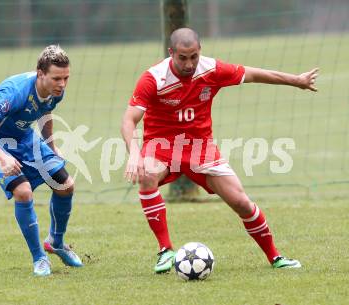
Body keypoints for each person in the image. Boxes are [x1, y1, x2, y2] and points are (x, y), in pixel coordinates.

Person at [121, 28, 319, 273]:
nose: (189, 63)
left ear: (199, 51)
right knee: (147, 173)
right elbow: (129, 119)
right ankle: (165, 251)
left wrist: (297, 81)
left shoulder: (211, 69)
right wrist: (134, 152)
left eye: (193, 56)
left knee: (242, 203)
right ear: (171, 53)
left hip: (200, 149)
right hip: (162, 147)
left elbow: (254, 74)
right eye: (182, 57)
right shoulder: (154, 78)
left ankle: (275, 257)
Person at [0, 45, 83, 276]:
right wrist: (2, 157)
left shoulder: (56, 91)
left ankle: (56, 242)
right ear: (40, 74)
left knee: (65, 185)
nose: (62, 84)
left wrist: (51, 146)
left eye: (66, 78)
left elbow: (46, 113)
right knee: (23, 192)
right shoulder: (15, 92)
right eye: (56, 78)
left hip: (23, 138)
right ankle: (39, 258)